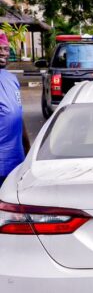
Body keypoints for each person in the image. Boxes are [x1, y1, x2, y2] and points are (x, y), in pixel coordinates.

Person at [0, 32, 29, 187]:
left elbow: (18, 114)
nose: (3, 52)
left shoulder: (11, 79)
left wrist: (27, 147)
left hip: (16, 160)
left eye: (5, 48)